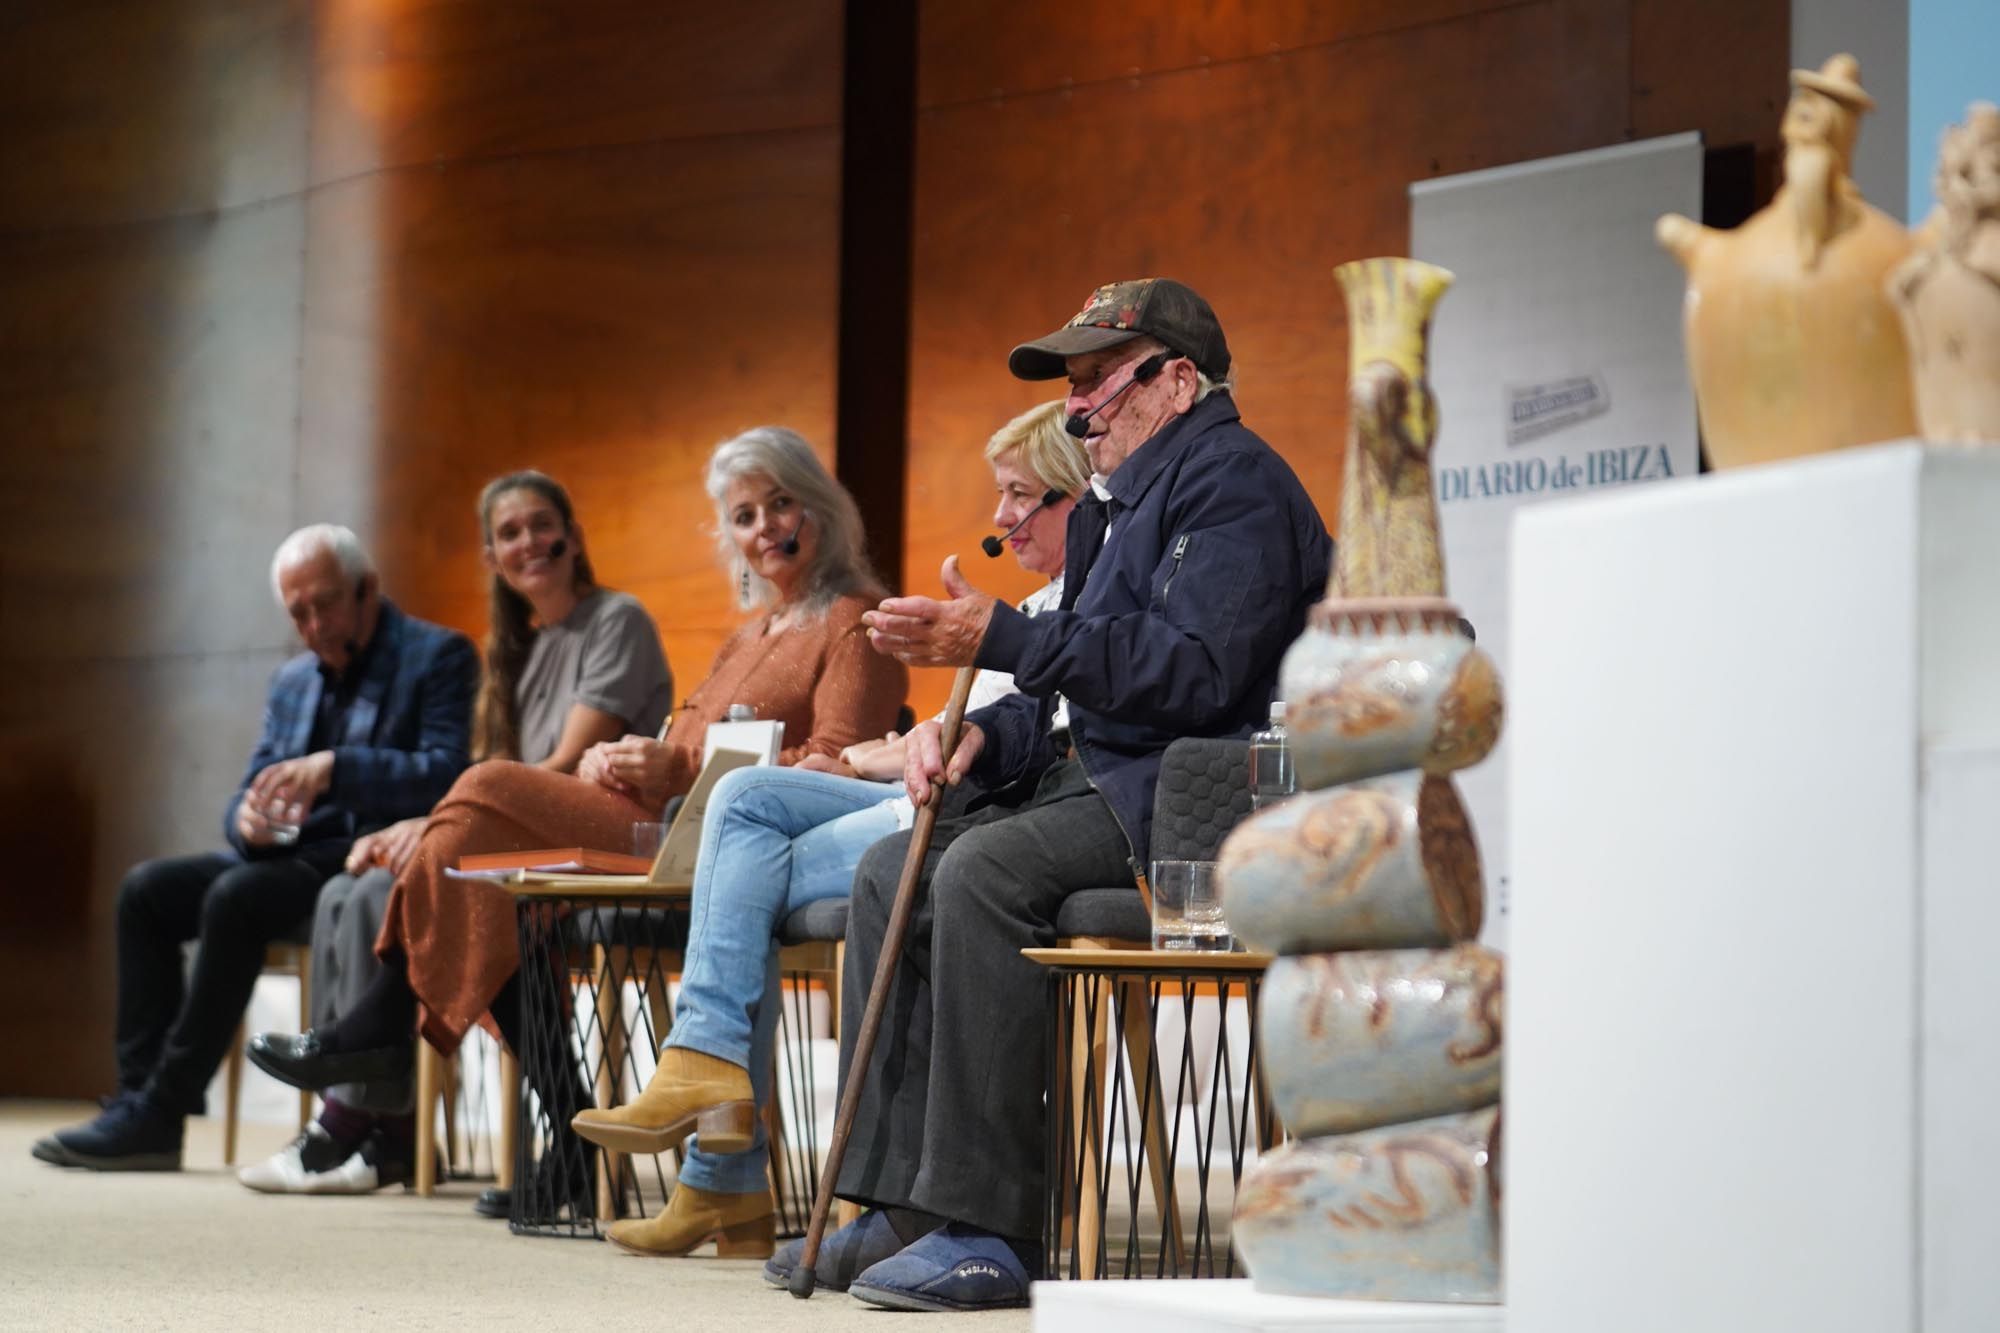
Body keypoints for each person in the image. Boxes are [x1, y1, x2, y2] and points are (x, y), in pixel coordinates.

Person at [802, 278, 1331, 1308]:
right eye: (1073, 386)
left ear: (1175, 382)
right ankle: (897, 1203)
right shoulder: (1112, 507)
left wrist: (1000, 638)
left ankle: (986, 1226)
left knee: (982, 870)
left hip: (1192, 800)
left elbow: (1191, 677)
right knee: (884, 867)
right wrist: (969, 731)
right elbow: (1062, 700)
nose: (1077, 409)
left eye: (1098, 382)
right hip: (1101, 778)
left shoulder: (1236, 484)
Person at [246, 428, 908, 1179]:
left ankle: (382, 1028)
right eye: (745, 516)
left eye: (781, 504)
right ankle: (565, 1144)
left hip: (727, 849)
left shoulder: (856, 618)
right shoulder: (747, 636)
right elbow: (678, 746)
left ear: (822, 505)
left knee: (487, 787)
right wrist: (622, 757)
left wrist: (676, 765)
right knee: (483, 881)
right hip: (662, 822)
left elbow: (839, 767)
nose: (766, 530)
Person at [567, 400, 1087, 1258]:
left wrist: (879, 754)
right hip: (913, 790)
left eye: (1019, 497)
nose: (998, 518)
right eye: (743, 515)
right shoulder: (1033, 605)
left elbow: (924, 746)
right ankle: (715, 1135)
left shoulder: (913, 617)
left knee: (743, 836)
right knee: (742, 820)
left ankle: (717, 1141)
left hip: (953, 805)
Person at [239, 472, 672, 1194]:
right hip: (534, 851)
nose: (527, 542)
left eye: (541, 524)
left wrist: (439, 816)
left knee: (474, 826)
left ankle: (370, 1039)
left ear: (573, 534)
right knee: (427, 888)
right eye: (509, 533)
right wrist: (417, 826)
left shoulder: (615, 619)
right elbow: (490, 786)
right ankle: (562, 1140)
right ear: (492, 555)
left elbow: (558, 771)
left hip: (616, 834)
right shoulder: (517, 650)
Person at [31, 526, 479, 1172]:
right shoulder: (293, 679)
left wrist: (335, 767)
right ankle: (138, 1101)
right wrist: (247, 821)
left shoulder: (438, 655)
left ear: (367, 589)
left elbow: (446, 774)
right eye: (298, 612)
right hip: (285, 857)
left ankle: (164, 1105)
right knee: (146, 891)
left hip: (365, 857)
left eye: (325, 604)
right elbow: (248, 793)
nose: (313, 623)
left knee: (235, 895)